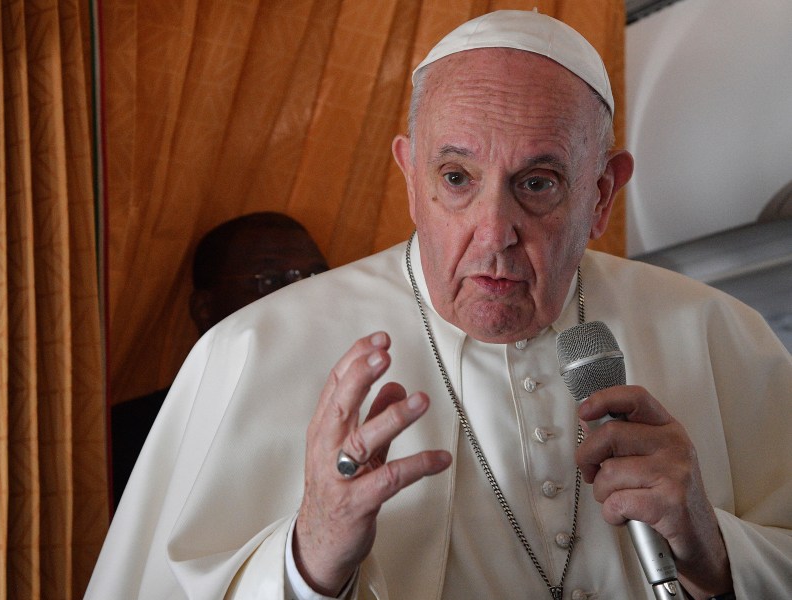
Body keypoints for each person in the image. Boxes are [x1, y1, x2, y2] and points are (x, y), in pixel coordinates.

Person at [87, 10, 792, 599]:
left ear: (603, 193)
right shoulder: (251, 350)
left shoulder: (718, 333)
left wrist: (717, 551)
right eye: (456, 177)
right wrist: (307, 563)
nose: (494, 233)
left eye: (538, 183)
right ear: (408, 177)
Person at [110, 212, 329, 505]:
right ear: (204, 309)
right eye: (271, 280)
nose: (304, 295)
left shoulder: (351, 415)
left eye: (316, 276)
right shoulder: (131, 438)